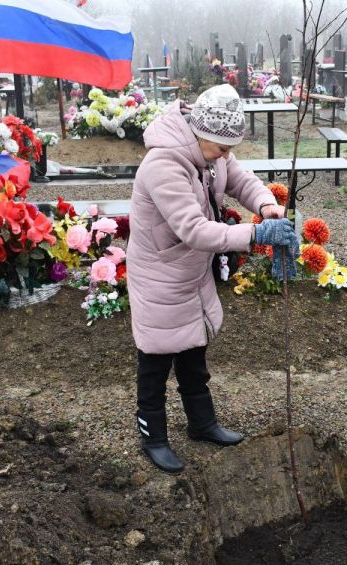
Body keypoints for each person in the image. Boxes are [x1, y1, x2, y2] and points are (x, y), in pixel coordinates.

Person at [128, 85, 299, 473]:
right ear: (198, 132)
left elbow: (241, 180)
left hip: (190, 272)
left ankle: (202, 424)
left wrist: (267, 206)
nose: (227, 155)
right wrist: (254, 235)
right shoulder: (163, 165)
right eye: (222, 148)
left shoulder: (213, 151)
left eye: (229, 148)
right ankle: (152, 436)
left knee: (193, 351)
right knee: (155, 361)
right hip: (160, 273)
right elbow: (194, 230)